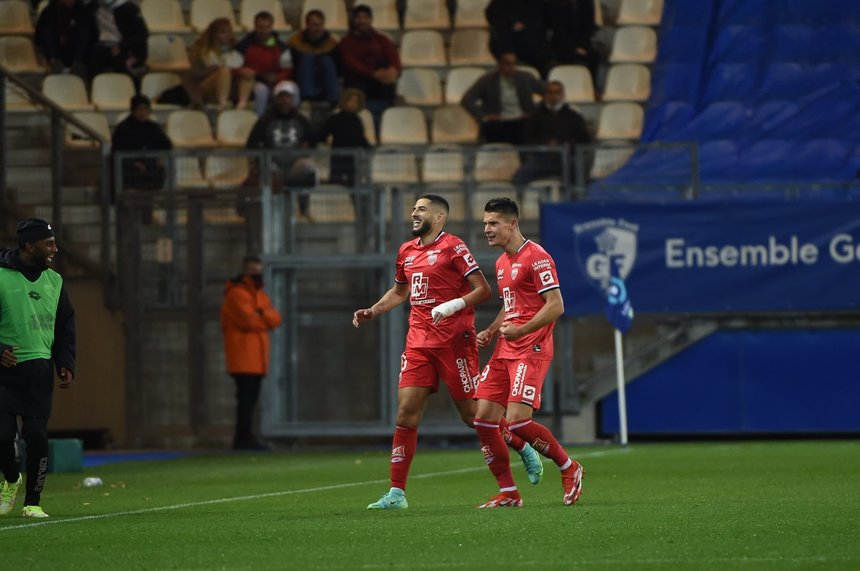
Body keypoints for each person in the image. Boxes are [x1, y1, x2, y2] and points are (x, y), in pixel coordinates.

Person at [353, 194, 544, 510]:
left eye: (421, 209)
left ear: (439, 217)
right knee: (405, 414)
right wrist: (373, 310)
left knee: (474, 417)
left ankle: (521, 446)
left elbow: (482, 290)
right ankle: (397, 494)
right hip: (418, 343)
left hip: (455, 342)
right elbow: (400, 291)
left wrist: (454, 304)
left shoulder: (454, 247)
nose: (414, 212)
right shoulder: (406, 251)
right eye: (413, 208)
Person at [473, 197, 583, 508]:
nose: (487, 229)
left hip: (530, 348)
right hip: (505, 348)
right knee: (483, 420)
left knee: (519, 421)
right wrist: (493, 330)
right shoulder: (501, 261)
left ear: (512, 223)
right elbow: (510, 307)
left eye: (493, 223)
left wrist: (521, 330)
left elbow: (556, 305)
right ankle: (509, 492)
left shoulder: (537, 258)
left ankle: (569, 467)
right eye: (485, 224)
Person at [0, 219, 75, 518]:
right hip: (5, 371)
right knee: (3, 437)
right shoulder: (2, 277)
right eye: (49, 243)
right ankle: (10, 478)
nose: (55, 249)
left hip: (39, 369)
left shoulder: (55, 282)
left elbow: (66, 326)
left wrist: (65, 362)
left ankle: (33, 501)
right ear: (29, 246)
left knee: (36, 437)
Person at [220, 254, 282, 450]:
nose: (258, 275)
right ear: (245, 271)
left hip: (256, 357)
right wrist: (262, 314)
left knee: (250, 399)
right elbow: (249, 321)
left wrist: (260, 313)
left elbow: (275, 319)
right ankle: (242, 438)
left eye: (259, 271)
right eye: (253, 271)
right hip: (243, 355)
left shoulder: (258, 294)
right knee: (245, 399)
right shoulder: (237, 293)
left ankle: (246, 436)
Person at [245, 80, 318, 220]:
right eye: (282, 97)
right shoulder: (265, 119)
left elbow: (314, 140)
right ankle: (273, 212)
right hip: (272, 164)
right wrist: (258, 159)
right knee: (268, 168)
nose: (285, 100)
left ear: (293, 99)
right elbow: (251, 143)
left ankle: (304, 209)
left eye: (288, 97)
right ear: (276, 99)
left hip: (293, 165)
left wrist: (306, 149)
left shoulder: (301, 120)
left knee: (308, 167)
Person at [512, 80, 592, 185]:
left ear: (563, 95)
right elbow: (527, 139)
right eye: (550, 92)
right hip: (542, 159)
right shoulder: (535, 117)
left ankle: (575, 200)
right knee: (519, 177)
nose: (553, 96)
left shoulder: (574, 116)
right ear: (545, 95)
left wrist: (565, 145)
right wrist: (545, 144)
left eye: (557, 92)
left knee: (579, 176)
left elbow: (584, 140)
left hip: (567, 158)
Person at [338, 4, 401, 132]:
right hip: (359, 84)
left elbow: (394, 59)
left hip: (380, 85)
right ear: (354, 20)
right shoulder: (346, 42)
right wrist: (373, 74)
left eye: (365, 17)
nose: (362, 21)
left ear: (371, 19)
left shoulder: (382, 39)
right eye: (359, 17)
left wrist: (394, 71)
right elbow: (351, 65)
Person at [111, 95, 173, 223]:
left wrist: (160, 160)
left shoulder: (153, 128)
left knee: (148, 196)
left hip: (149, 174)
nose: (143, 112)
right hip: (130, 173)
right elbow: (118, 152)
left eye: (145, 109)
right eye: (139, 109)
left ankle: (146, 222)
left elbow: (166, 145)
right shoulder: (124, 128)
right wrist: (134, 164)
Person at [461, 52, 545, 145]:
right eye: (507, 64)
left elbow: (548, 92)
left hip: (522, 121)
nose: (511, 67)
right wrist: (484, 116)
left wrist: (535, 111)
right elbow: (467, 100)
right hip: (498, 122)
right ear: (500, 65)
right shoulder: (487, 80)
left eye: (514, 63)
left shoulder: (526, 78)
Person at [185, 18, 253, 111]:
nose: (227, 35)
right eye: (223, 32)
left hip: (231, 86)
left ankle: (242, 104)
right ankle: (223, 104)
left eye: (229, 32)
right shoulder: (202, 50)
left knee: (248, 73)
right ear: (214, 34)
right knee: (224, 71)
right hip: (206, 88)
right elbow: (194, 74)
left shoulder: (236, 49)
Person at [236, 11, 293, 116]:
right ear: (255, 27)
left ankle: (291, 120)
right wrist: (245, 72)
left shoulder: (281, 46)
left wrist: (277, 78)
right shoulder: (244, 45)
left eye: (267, 27)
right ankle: (260, 121)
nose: (264, 31)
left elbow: (287, 70)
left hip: (275, 81)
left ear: (271, 27)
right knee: (261, 90)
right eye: (261, 27)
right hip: (252, 82)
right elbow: (233, 68)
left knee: (291, 88)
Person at [317, 88, 371, 190]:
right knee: (335, 184)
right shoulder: (335, 118)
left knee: (354, 186)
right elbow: (322, 134)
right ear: (344, 101)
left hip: (353, 159)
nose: (353, 104)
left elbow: (361, 138)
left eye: (356, 101)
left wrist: (369, 148)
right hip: (338, 157)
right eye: (351, 100)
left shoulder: (357, 120)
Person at [485, 0, 554, 77]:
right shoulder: (501, 4)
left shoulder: (540, 3)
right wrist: (511, 23)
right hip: (513, 50)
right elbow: (494, 16)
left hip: (539, 53)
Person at [288, 9, 341, 105]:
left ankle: (333, 100)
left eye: (320, 25)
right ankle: (307, 100)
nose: (318, 28)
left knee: (326, 61)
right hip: (302, 80)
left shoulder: (332, 42)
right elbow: (293, 67)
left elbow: (338, 68)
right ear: (307, 25)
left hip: (325, 80)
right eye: (314, 25)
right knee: (308, 58)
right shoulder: (295, 42)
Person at [89, 0, 149, 79]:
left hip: (126, 48)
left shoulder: (128, 8)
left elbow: (142, 33)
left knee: (121, 65)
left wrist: (121, 47)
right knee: (93, 58)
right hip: (104, 45)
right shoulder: (93, 7)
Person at [34, 0, 95, 77]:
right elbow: (39, 38)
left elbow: (92, 36)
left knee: (84, 29)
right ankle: (54, 62)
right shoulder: (49, 12)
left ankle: (78, 64)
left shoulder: (84, 11)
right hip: (56, 53)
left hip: (78, 55)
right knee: (47, 29)